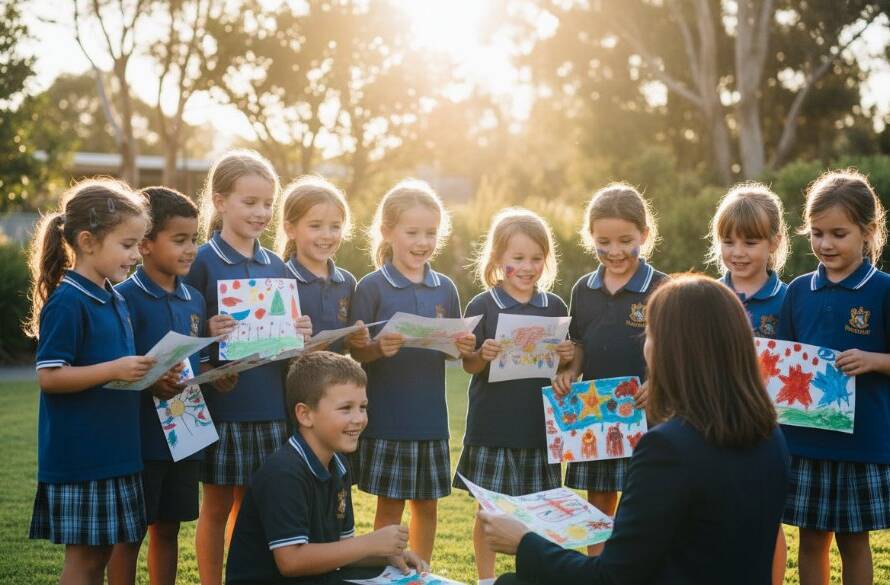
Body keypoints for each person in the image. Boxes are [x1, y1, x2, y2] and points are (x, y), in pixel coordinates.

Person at [482, 274, 790, 585]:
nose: (645, 345)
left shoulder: (668, 447)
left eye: (650, 334)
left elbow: (612, 578)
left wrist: (524, 542)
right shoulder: (770, 435)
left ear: (675, 349)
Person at [186, 150, 312, 585]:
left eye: (267, 204)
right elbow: (185, 329)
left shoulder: (276, 265)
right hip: (224, 408)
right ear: (220, 202)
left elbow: (284, 344)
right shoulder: (201, 260)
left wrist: (298, 328)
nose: (261, 213)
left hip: (270, 405)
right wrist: (207, 329)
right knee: (216, 506)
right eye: (249, 202)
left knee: (253, 504)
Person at [25, 179, 159, 585]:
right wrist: (116, 369)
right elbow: (50, 377)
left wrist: (150, 373)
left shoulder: (114, 297)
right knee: (84, 561)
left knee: (101, 555)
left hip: (117, 450)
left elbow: (116, 368)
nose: (137, 255)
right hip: (83, 457)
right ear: (87, 241)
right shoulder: (68, 301)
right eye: (127, 244)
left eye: (139, 244)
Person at [349, 179, 476, 562]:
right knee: (390, 505)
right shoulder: (371, 287)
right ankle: (384, 570)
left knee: (428, 505)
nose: (423, 242)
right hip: (388, 416)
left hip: (432, 418)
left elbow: (454, 349)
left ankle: (421, 571)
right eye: (412, 232)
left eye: (431, 233)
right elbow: (357, 356)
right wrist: (376, 348)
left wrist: (462, 346)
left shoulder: (445, 288)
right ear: (388, 232)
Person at [106, 187, 226, 584]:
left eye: (193, 239)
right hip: (138, 438)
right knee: (130, 533)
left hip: (185, 432)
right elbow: (113, 368)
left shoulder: (194, 299)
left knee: (169, 526)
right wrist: (149, 383)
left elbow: (197, 360)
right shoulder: (122, 298)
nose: (191, 249)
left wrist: (217, 373)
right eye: (179, 240)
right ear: (145, 244)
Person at [226, 351, 428, 584]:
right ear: (305, 414)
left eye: (362, 407)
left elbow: (340, 549)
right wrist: (370, 542)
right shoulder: (283, 473)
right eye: (346, 408)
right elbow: (291, 562)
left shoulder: (339, 465)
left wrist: (386, 556)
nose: (359, 419)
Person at [778, 170, 890, 585]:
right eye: (817, 233)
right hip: (807, 441)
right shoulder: (797, 292)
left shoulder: (883, 290)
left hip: (863, 441)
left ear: (868, 231)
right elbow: (786, 362)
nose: (825, 244)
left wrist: (873, 360)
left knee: (854, 541)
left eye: (838, 233)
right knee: (811, 539)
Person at [454, 208, 573, 585]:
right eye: (517, 259)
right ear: (498, 260)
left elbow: (557, 369)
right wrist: (480, 354)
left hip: (538, 429)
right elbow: (468, 366)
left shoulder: (553, 307)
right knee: (489, 511)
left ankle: (531, 577)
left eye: (536, 258)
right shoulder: (483, 305)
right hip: (492, 427)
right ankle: (487, 580)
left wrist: (567, 358)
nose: (527, 267)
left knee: (537, 511)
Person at [553, 182, 666, 555]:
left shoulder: (662, 288)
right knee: (598, 503)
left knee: (643, 501)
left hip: (646, 414)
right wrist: (571, 370)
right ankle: (599, 572)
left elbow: (673, 349)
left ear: (644, 236)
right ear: (590, 237)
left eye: (625, 240)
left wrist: (657, 381)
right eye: (603, 241)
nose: (614, 251)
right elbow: (580, 343)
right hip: (594, 416)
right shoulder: (582, 289)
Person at [709, 182, 790, 583]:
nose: (738, 252)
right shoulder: (707, 296)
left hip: (767, 427)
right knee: (715, 516)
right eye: (728, 241)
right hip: (713, 424)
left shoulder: (789, 299)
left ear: (774, 243)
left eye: (750, 242)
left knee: (766, 519)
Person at [277, 175, 370, 353]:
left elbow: (348, 347)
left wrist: (357, 338)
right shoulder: (279, 279)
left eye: (335, 226)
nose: (327, 235)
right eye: (315, 226)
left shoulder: (348, 282)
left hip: (336, 379)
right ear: (290, 229)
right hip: (291, 379)